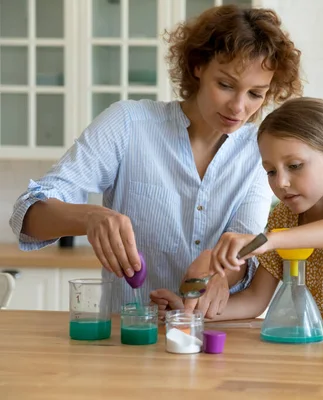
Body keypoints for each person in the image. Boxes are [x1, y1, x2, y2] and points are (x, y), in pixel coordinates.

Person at [8, 5, 303, 315]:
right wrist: (90, 217)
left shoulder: (257, 152)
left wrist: (220, 273)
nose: (239, 107)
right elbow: (26, 215)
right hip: (126, 338)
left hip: (209, 337)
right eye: (226, 85)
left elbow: (246, 248)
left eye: (255, 94)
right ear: (197, 66)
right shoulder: (128, 124)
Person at [151, 97, 323, 323]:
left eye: (294, 165)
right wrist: (188, 313)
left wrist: (271, 240)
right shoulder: (284, 218)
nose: (280, 182)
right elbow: (255, 300)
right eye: (271, 171)